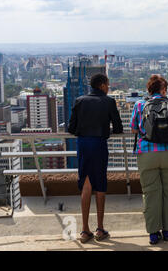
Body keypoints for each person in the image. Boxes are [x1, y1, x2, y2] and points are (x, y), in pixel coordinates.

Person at [130, 75, 168, 245]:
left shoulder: (140, 104)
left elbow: (133, 128)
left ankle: (153, 233)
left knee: (151, 194)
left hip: (147, 154)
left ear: (149, 89)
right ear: (164, 89)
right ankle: (167, 231)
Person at [68, 73, 123, 243]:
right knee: (100, 185)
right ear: (102, 85)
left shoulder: (80, 100)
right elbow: (119, 127)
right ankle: (100, 229)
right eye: (107, 85)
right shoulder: (108, 101)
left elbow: (71, 128)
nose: (108, 88)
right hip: (99, 144)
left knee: (86, 183)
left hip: (83, 144)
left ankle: (85, 230)